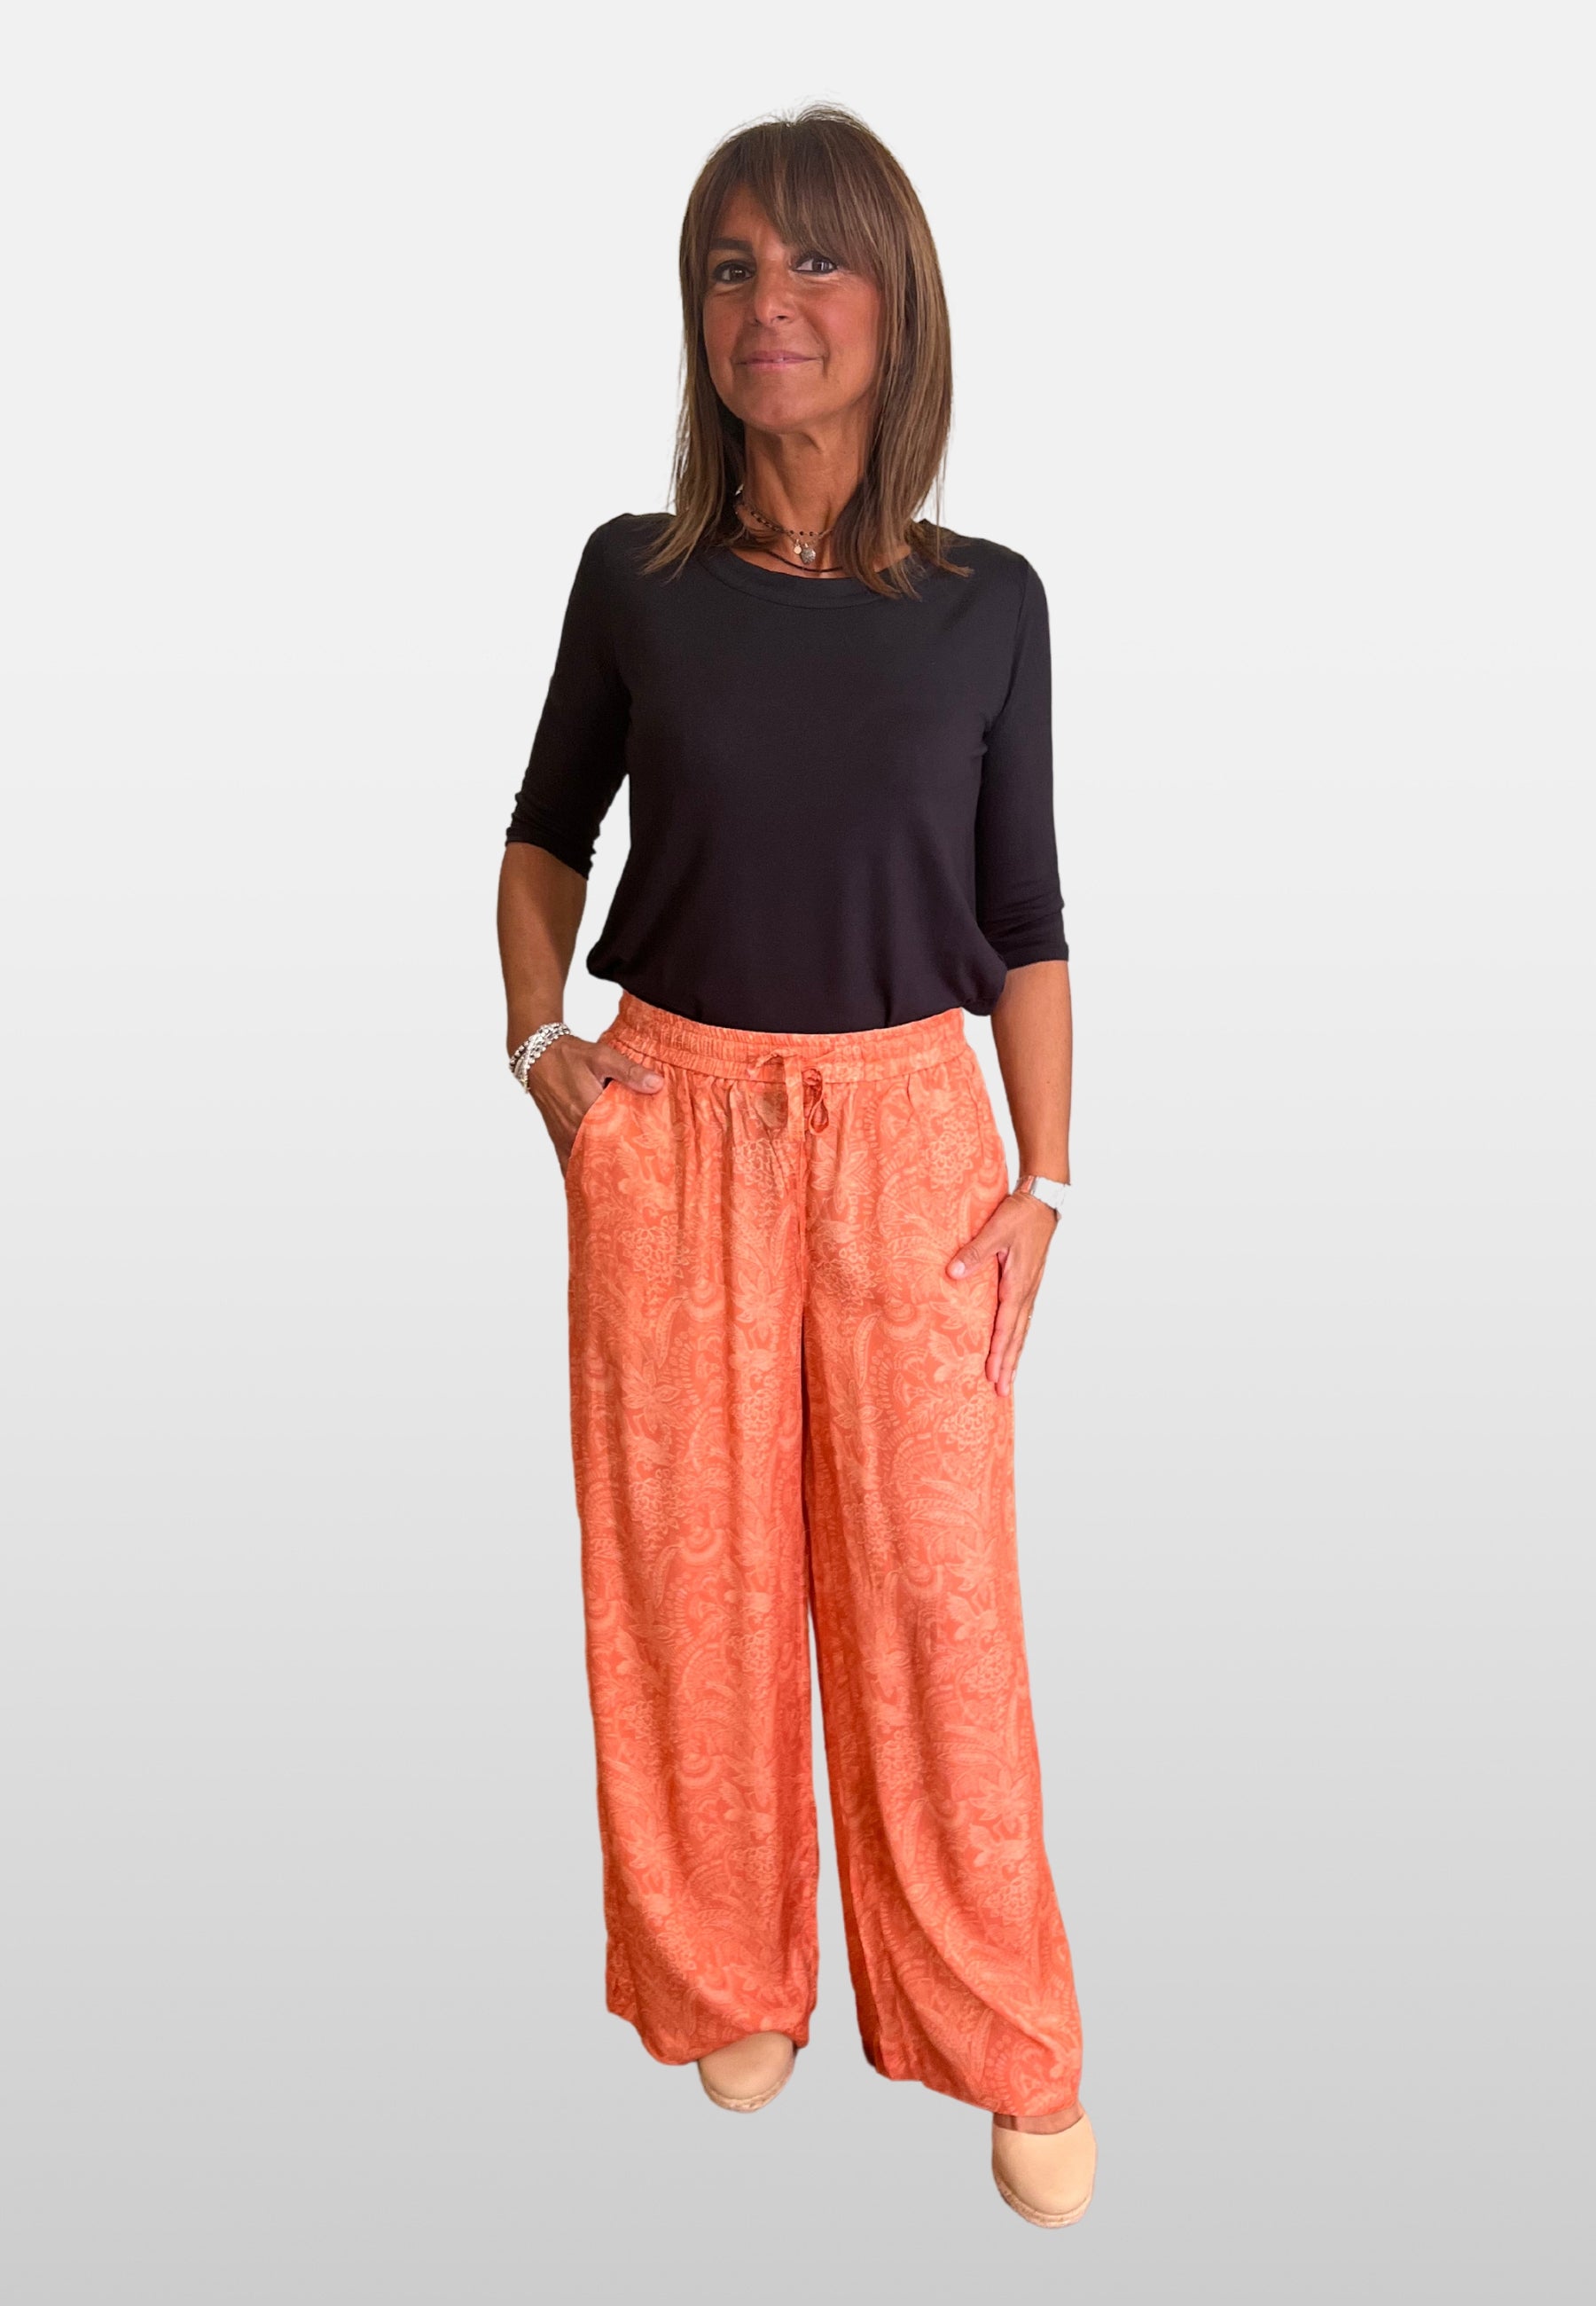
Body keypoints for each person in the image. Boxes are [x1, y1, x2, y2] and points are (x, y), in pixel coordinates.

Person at [496, 104, 1093, 2228]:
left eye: (816, 261)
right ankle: (724, 1967)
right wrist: (545, 1054)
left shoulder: (990, 603)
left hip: (913, 1137)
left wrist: (1044, 1184)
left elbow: (1025, 916)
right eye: (732, 267)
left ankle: (1000, 2028)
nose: (772, 304)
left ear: (895, 301)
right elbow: (544, 834)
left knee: (937, 1601)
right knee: (688, 1574)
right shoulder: (634, 578)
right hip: (669, 1122)